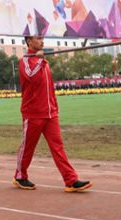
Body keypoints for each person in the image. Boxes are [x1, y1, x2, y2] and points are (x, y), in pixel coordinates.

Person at [13, 35, 91, 192]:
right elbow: (32, 78)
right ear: (29, 41)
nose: (42, 41)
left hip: (50, 114)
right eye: (38, 38)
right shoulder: (25, 61)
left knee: (58, 147)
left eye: (42, 38)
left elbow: (48, 88)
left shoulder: (43, 62)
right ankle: (20, 176)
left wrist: (54, 107)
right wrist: (40, 61)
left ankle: (70, 180)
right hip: (33, 114)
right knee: (28, 147)